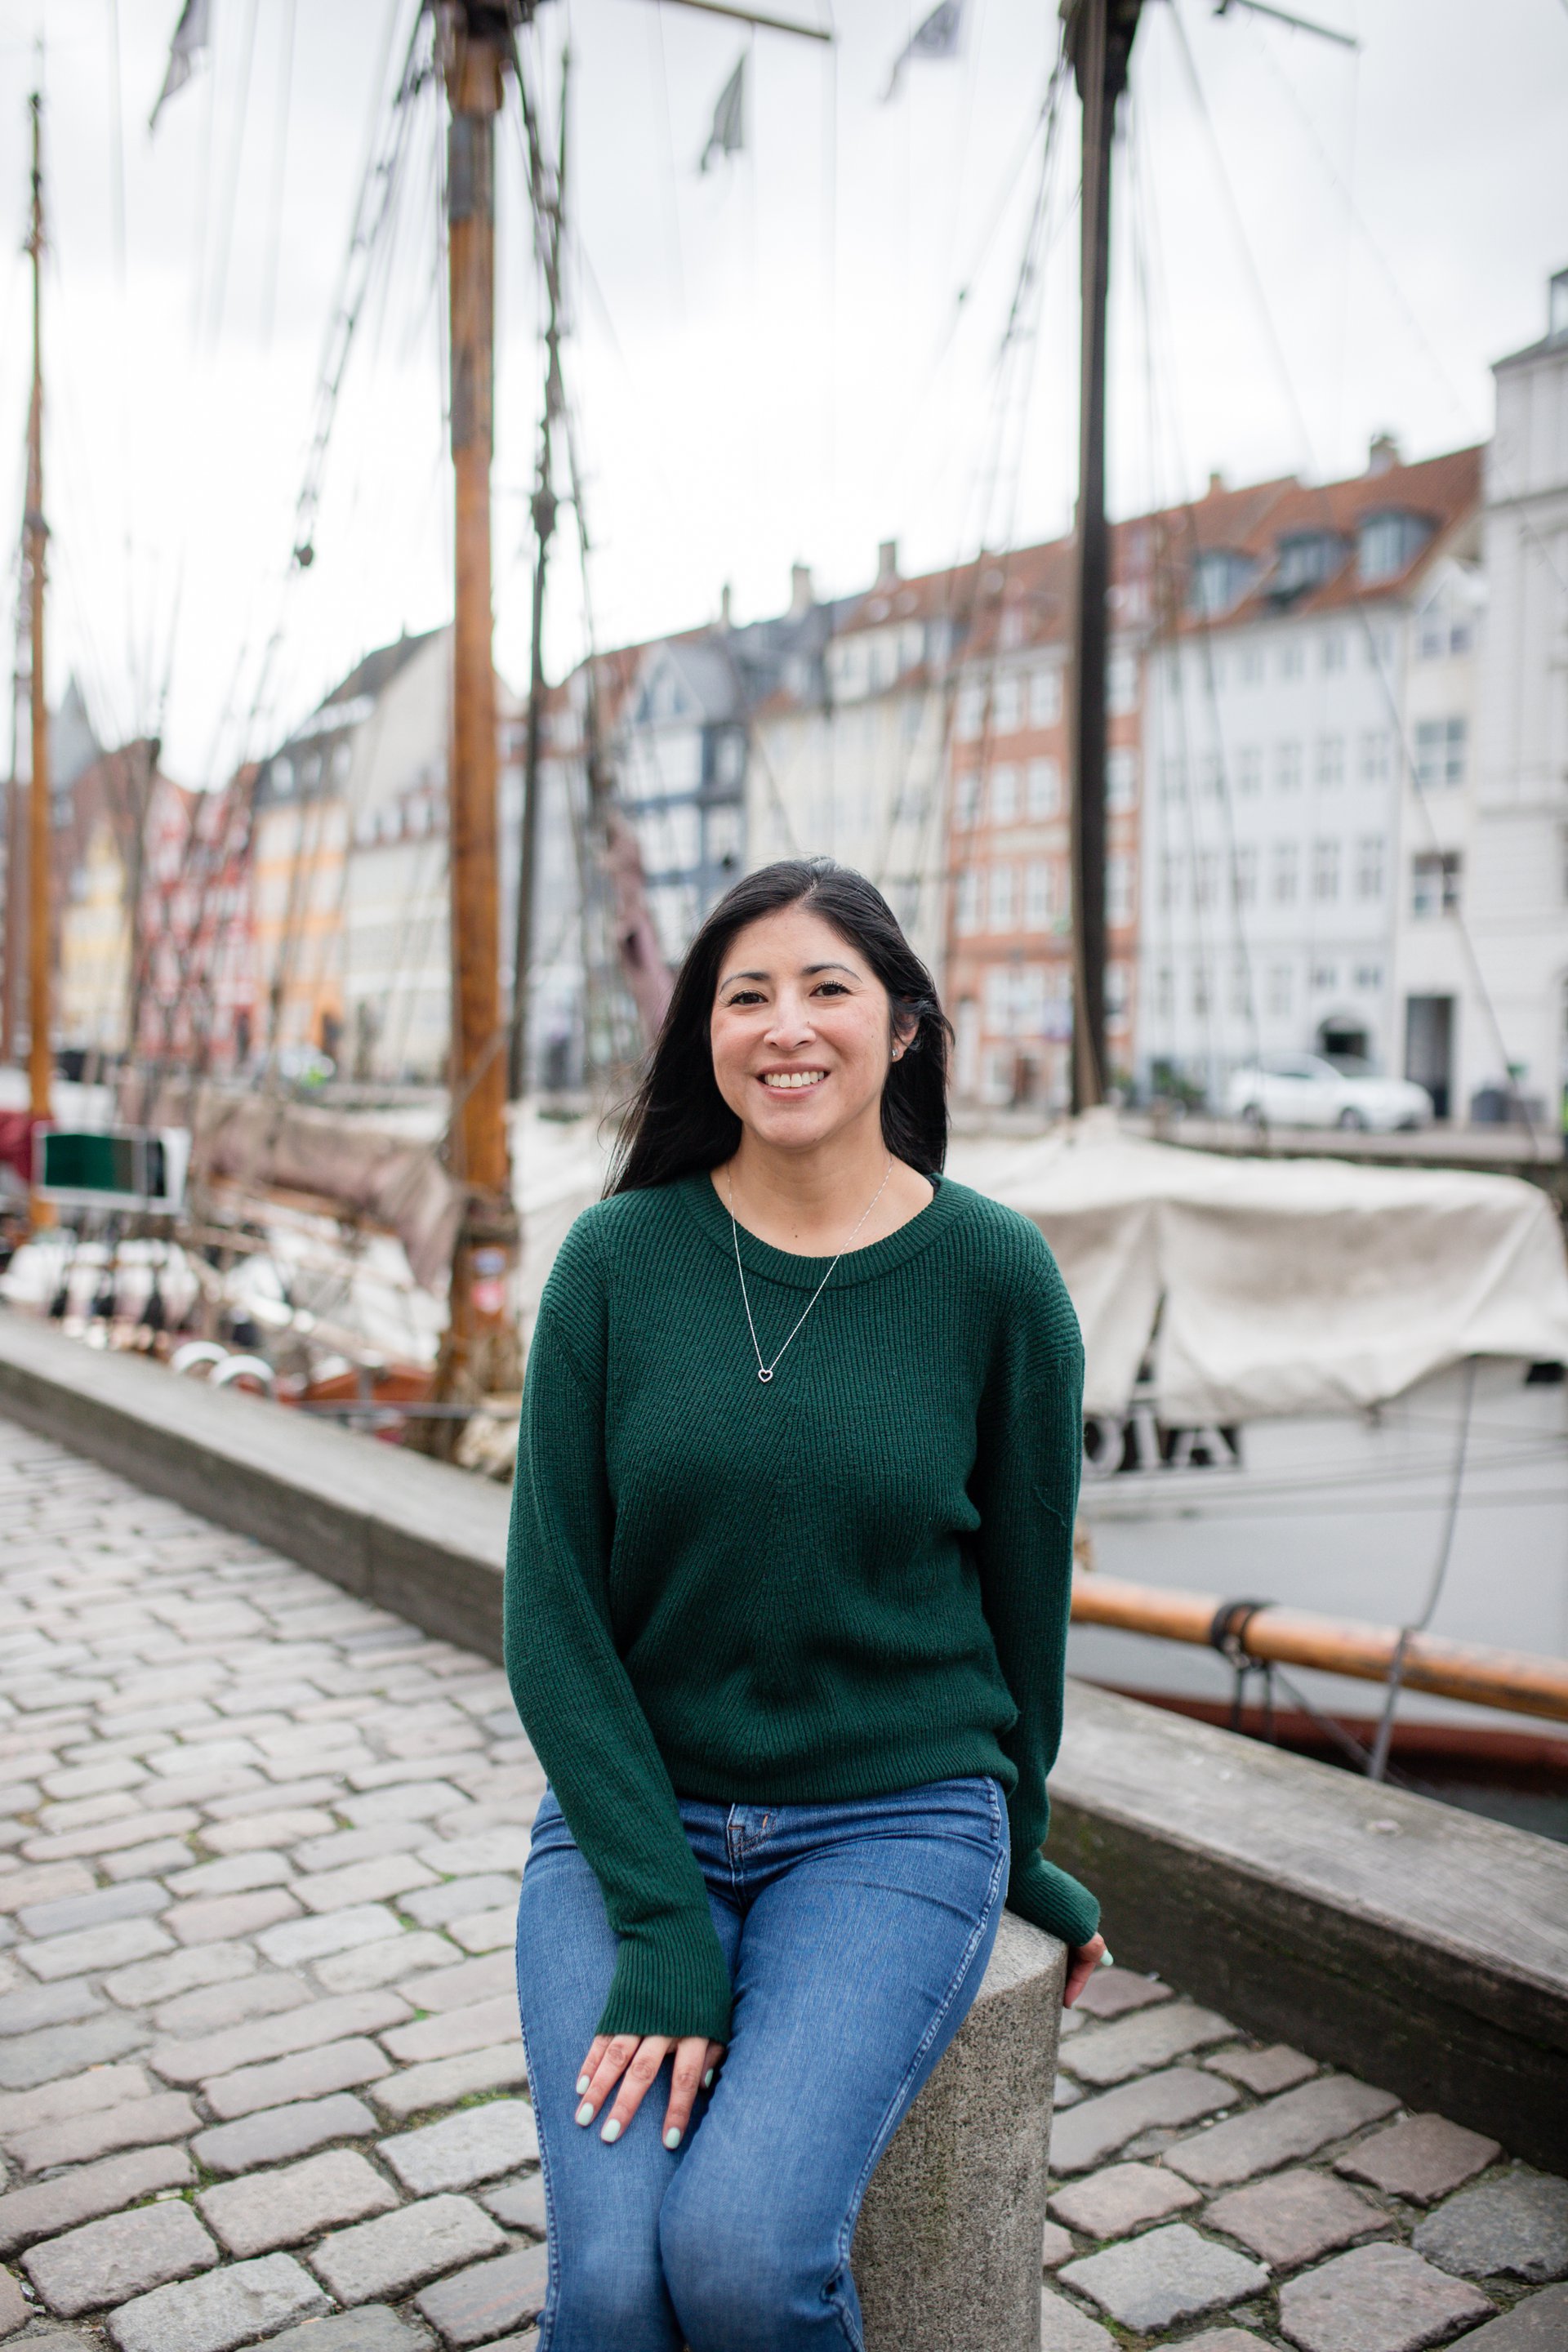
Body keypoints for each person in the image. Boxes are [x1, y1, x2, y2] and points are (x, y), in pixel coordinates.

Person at [506, 858, 1104, 2352]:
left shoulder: (997, 1278)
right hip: (636, 1816)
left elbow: (1025, 1618)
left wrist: (1022, 1851)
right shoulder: (613, 1262)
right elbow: (552, 1615)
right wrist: (661, 1919)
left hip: (893, 1822)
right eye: (746, 995)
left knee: (741, 2258)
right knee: (610, 2290)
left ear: (902, 1027)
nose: (786, 1026)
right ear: (703, 1034)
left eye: (827, 988)